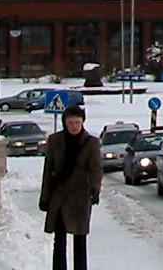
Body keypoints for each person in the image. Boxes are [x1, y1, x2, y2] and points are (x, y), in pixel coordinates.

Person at [40, 105, 103, 270]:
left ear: (83, 122)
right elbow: (48, 170)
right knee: (59, 239)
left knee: (79, 239)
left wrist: (95, 190)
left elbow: (96, 169)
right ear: (65, 123)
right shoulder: (55, 141)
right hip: (59, 196)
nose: (74, 126)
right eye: (71, 123)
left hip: (81, 197)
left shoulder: (91, 143)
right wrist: (45, 197)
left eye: (77, 122)